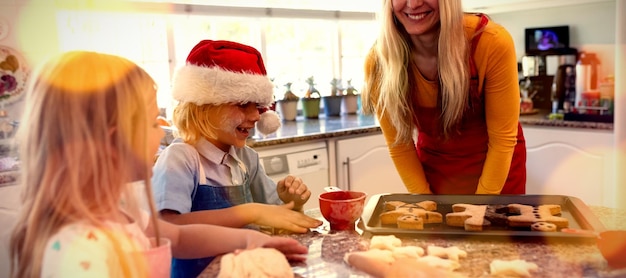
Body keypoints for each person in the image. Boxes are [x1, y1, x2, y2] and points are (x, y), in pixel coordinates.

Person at [9, 51, 308, 278]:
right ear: (116, 141)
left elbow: (177, 236)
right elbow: (174, 226)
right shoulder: (81, 251)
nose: (163, 129)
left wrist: (251, 239)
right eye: (153, 122)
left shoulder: (121, 214)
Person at [151, 40, 322, 277]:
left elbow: (275, 217)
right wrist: (248, 212)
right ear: (204, 106)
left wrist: (292, 201)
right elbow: (168, 229)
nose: (255, 116)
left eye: (259, 107)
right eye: (243, 104)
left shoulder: (246, 158)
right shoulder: (181, 159)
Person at [361, 0, 526, 195]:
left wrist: (481, 206)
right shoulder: (380, 62)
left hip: (498, 175)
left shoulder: (491, 42)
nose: (413, 4)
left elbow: (502, 140)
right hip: (435, 176)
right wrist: (425, 200)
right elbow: (400, 147)